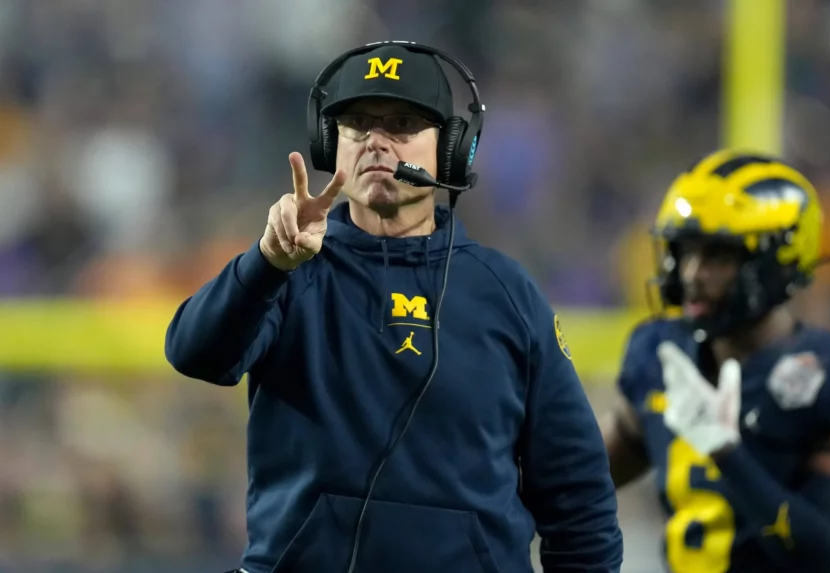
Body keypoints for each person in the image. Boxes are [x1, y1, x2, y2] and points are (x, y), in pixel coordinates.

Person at [165, 40, 623, 573]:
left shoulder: (507, 294)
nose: (375, 143)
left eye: (402, 124)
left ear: (453, 148)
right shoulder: (285, 271)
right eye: (356, 125)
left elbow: (578, 497)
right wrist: (267, 264)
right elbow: (194, 354)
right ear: (328, 145)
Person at [601, 149, 830, 573]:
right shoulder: (661, 351)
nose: (691, 274)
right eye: (685, 251)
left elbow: (828, 558)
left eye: (718, 256)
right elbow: (576, 477)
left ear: (779, 259)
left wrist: (726, 452)